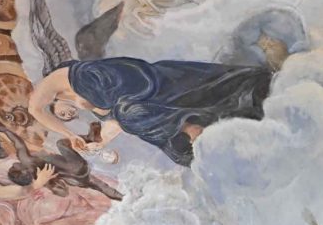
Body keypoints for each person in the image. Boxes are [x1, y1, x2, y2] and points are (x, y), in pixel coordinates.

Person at [27, 55, 274, 166]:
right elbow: (117, 120)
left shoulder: (65, 79)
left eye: (61, 114)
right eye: (66, 118)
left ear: (53, 103)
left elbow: (35, 108)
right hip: (136, 102)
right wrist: (101, 142)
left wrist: (69, 135)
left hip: (133, 81)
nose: (68, 116)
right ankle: (199, 131)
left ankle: (190, 127)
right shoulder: (74, 97)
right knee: (176, 149)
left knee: (131, 113)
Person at [0, 123, 123, 201]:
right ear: (22, 170)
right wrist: (5, 130)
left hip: (76, 179)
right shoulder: (26, 160)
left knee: (99, 186)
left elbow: (63, 193)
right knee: (61, 143)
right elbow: (18, 144)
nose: (13, 164)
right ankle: (89, 138)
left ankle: (121, 197)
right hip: (75, 166)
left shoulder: (41, 179)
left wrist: (52, 182)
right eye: (14, 167)